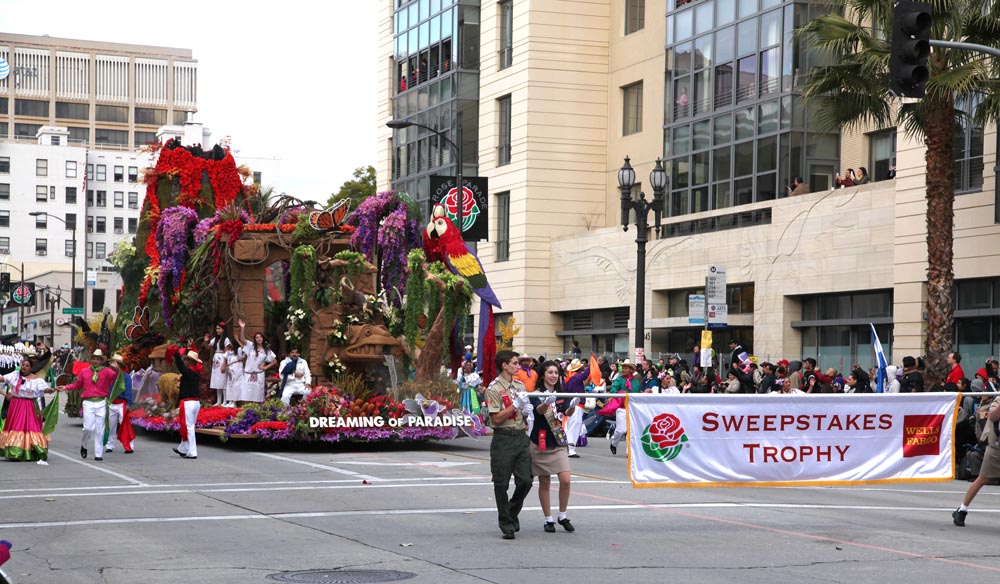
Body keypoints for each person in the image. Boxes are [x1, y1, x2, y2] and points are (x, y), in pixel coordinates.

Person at [484, 350, 533, 540]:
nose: (518, 366)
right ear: (504, 365)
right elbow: (496, 419)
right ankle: (506, 523)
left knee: (526, 480)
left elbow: (522, 413)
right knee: (501, 483)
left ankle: (511, 512)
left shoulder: (519, 386)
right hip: (503, 438)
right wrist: (515, 405)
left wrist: (527, 411)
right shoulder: (494, 389)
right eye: (514, 363)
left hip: (520, 436)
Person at [530, 361, 576, 534]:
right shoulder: (536, 394)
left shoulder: (562, 393)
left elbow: (567, 413)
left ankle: (562, 515)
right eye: (550, 372)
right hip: (541, 439)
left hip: (557, 440)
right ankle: (548, 519)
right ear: (543, 375)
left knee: (565, 479)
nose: (553, 375)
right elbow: (539, 411)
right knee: (545, 482)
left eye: (556, 372)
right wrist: (547, 402)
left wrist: (572, 407)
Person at [58, 349, 117, 461]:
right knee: (88, 428)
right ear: (91, 360)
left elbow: (118, 379)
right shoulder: (84, 372)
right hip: (88, 402)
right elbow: (77, 385)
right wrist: (65, 387)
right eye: (94, 358)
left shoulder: (107, 371)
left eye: (98, 359)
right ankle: (84, 445)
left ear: (101, 361)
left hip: (101, 402)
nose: (95, 361)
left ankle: (98, 454)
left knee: (100, 429)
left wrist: (115, 368)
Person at [0, 351, 56, 462]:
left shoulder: (37, 380)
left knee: (32, 427)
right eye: (23, 365)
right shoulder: (15, 376)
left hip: (30, 405)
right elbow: (2, 379)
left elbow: (44, 389)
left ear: (31, 368)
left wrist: (52, 389)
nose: (24, 367)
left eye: (27, 366)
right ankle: (15, 451)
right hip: (16, 405)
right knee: (16, 427)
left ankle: (33, 450)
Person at [953, 394, 1000, 527]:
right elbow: (993, 416)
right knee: (983, 479)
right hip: (997, 447)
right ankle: (962, 510)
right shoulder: (998, 400)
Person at [598, 359, 642, 455]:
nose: (624, 370)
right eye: (623, 368)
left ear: (631, 370)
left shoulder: (636, 382)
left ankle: (629, 451)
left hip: (632, 409)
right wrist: (621, 393)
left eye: (626, 368)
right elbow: (613, 390)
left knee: (631, 431)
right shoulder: (619, 379)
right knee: (620, 430)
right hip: (621, 408)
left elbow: (638, 394)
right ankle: (613, 442)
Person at [173, 348, 203, 459]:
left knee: (189, 427)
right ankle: (183, 448)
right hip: (195, 403)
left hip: (189, 403)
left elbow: (181, 367)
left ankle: (192, 452)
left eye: (187, 360)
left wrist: (176, 355)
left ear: (190, 362)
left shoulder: (189, 372)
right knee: (189, 426)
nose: (185, 361)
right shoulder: (195, 373)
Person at [105, 354, 134, 454]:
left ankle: (129, 445)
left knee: (125, 424)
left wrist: (129, 404)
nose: (112, 365)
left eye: (114, 362)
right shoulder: (110, 375)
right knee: (111, 426)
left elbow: (128, 391)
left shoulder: (125, 377)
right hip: (111, 403)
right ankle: (110, 445)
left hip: (122, 403)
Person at [562, 358, 589, 458]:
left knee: (570, 425)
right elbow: (585, 374)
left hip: (571, 404)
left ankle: (568, 447)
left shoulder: (568, 378)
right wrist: (592, 366)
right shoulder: (576, 377)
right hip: (576, 405)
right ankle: (571, 449)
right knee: (574, 426)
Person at [203, 322, 233, 406]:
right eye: (217, 329)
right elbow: (208, 347)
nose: (217, 330)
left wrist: (224, 364)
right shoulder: (215, 339)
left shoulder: (226, 339)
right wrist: (206, 341)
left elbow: (227, 353)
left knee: (223, 380)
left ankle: (225, 401)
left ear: (223, 329)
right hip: (216, 358)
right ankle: (219, 400)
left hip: (222, 358)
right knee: (217, 380)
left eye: (219, 328)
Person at [221, 342, 244, 408]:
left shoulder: (239, 349)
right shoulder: (229, 352)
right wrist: (224, 365)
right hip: (230, 367)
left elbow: (244, 349)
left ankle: (234, 402)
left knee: (236, 384)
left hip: (237, 367)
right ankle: (230, 401)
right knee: (230, 384)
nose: (230, 344)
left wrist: (237, 340)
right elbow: (225, 358)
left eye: (231, 343)